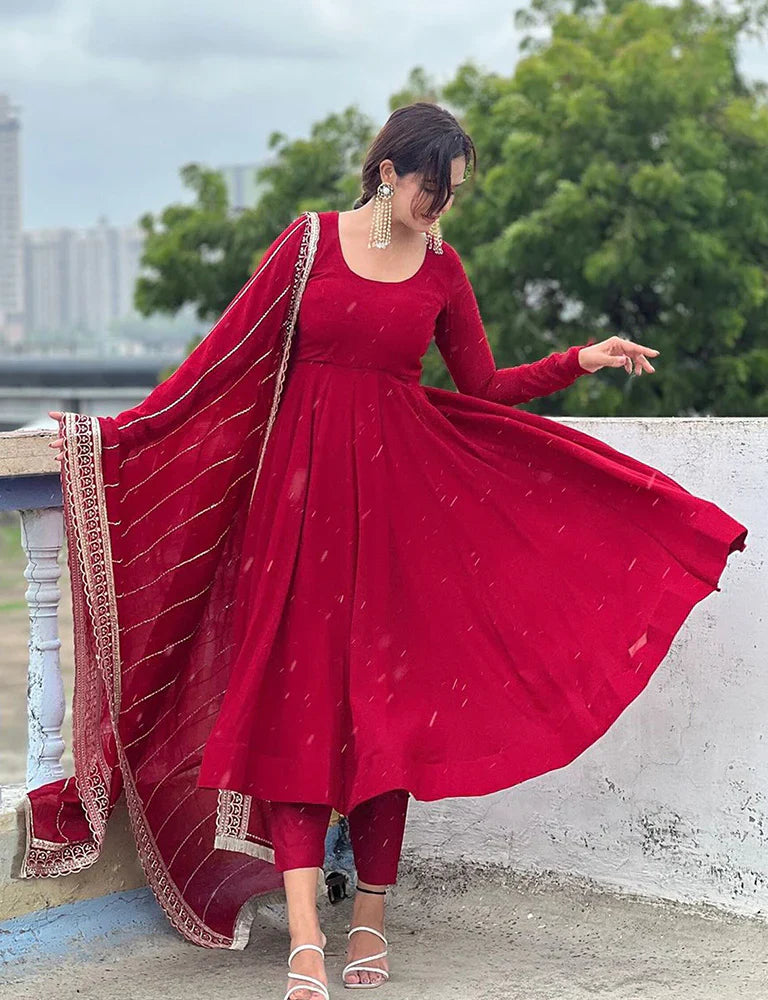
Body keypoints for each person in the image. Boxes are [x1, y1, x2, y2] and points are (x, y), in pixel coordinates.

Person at [41, 103, 747, 1000]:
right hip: (294, 520)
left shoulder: (443, 269)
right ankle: (305, 943)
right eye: (430, 185)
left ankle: (367, 921)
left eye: (452, 192)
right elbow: (224, 359)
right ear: (388, 171)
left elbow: (484, 385)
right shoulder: (306, 247)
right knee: (292, 721)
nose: (439, 205)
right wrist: (127, 435)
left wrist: (582, 357)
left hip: (398, 519)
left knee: (384, 723)